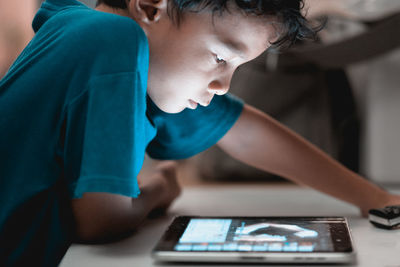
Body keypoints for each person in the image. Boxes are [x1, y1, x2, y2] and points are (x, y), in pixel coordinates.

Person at [0, 0, 399, 266]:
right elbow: (100, 221)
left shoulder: (141, 71)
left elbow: (244, 132)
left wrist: (377, 199)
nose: (224, 84)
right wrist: (161, 188)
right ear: (151, 6)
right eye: (221, 57)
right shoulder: (111, 39)